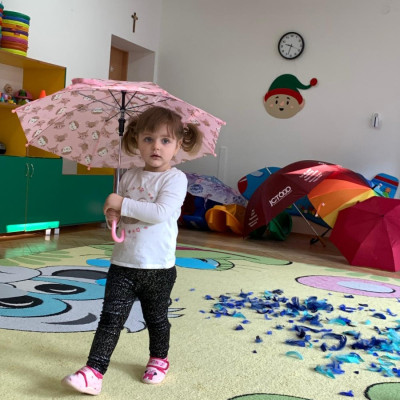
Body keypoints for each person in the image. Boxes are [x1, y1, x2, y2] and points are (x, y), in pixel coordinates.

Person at [62, 106, 202, 395]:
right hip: (123, 264)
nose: (156, 147)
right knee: (110, 318)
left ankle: (159, 358)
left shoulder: (175, 179)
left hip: (158, 268)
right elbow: (123, 216)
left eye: (165, 140)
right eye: (148, 139)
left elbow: (161, 212)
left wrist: (121, 203)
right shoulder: (128, 176)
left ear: (177, 145)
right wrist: (112, 214)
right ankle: (94, 371)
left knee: (156, 318)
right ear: (137, 141)